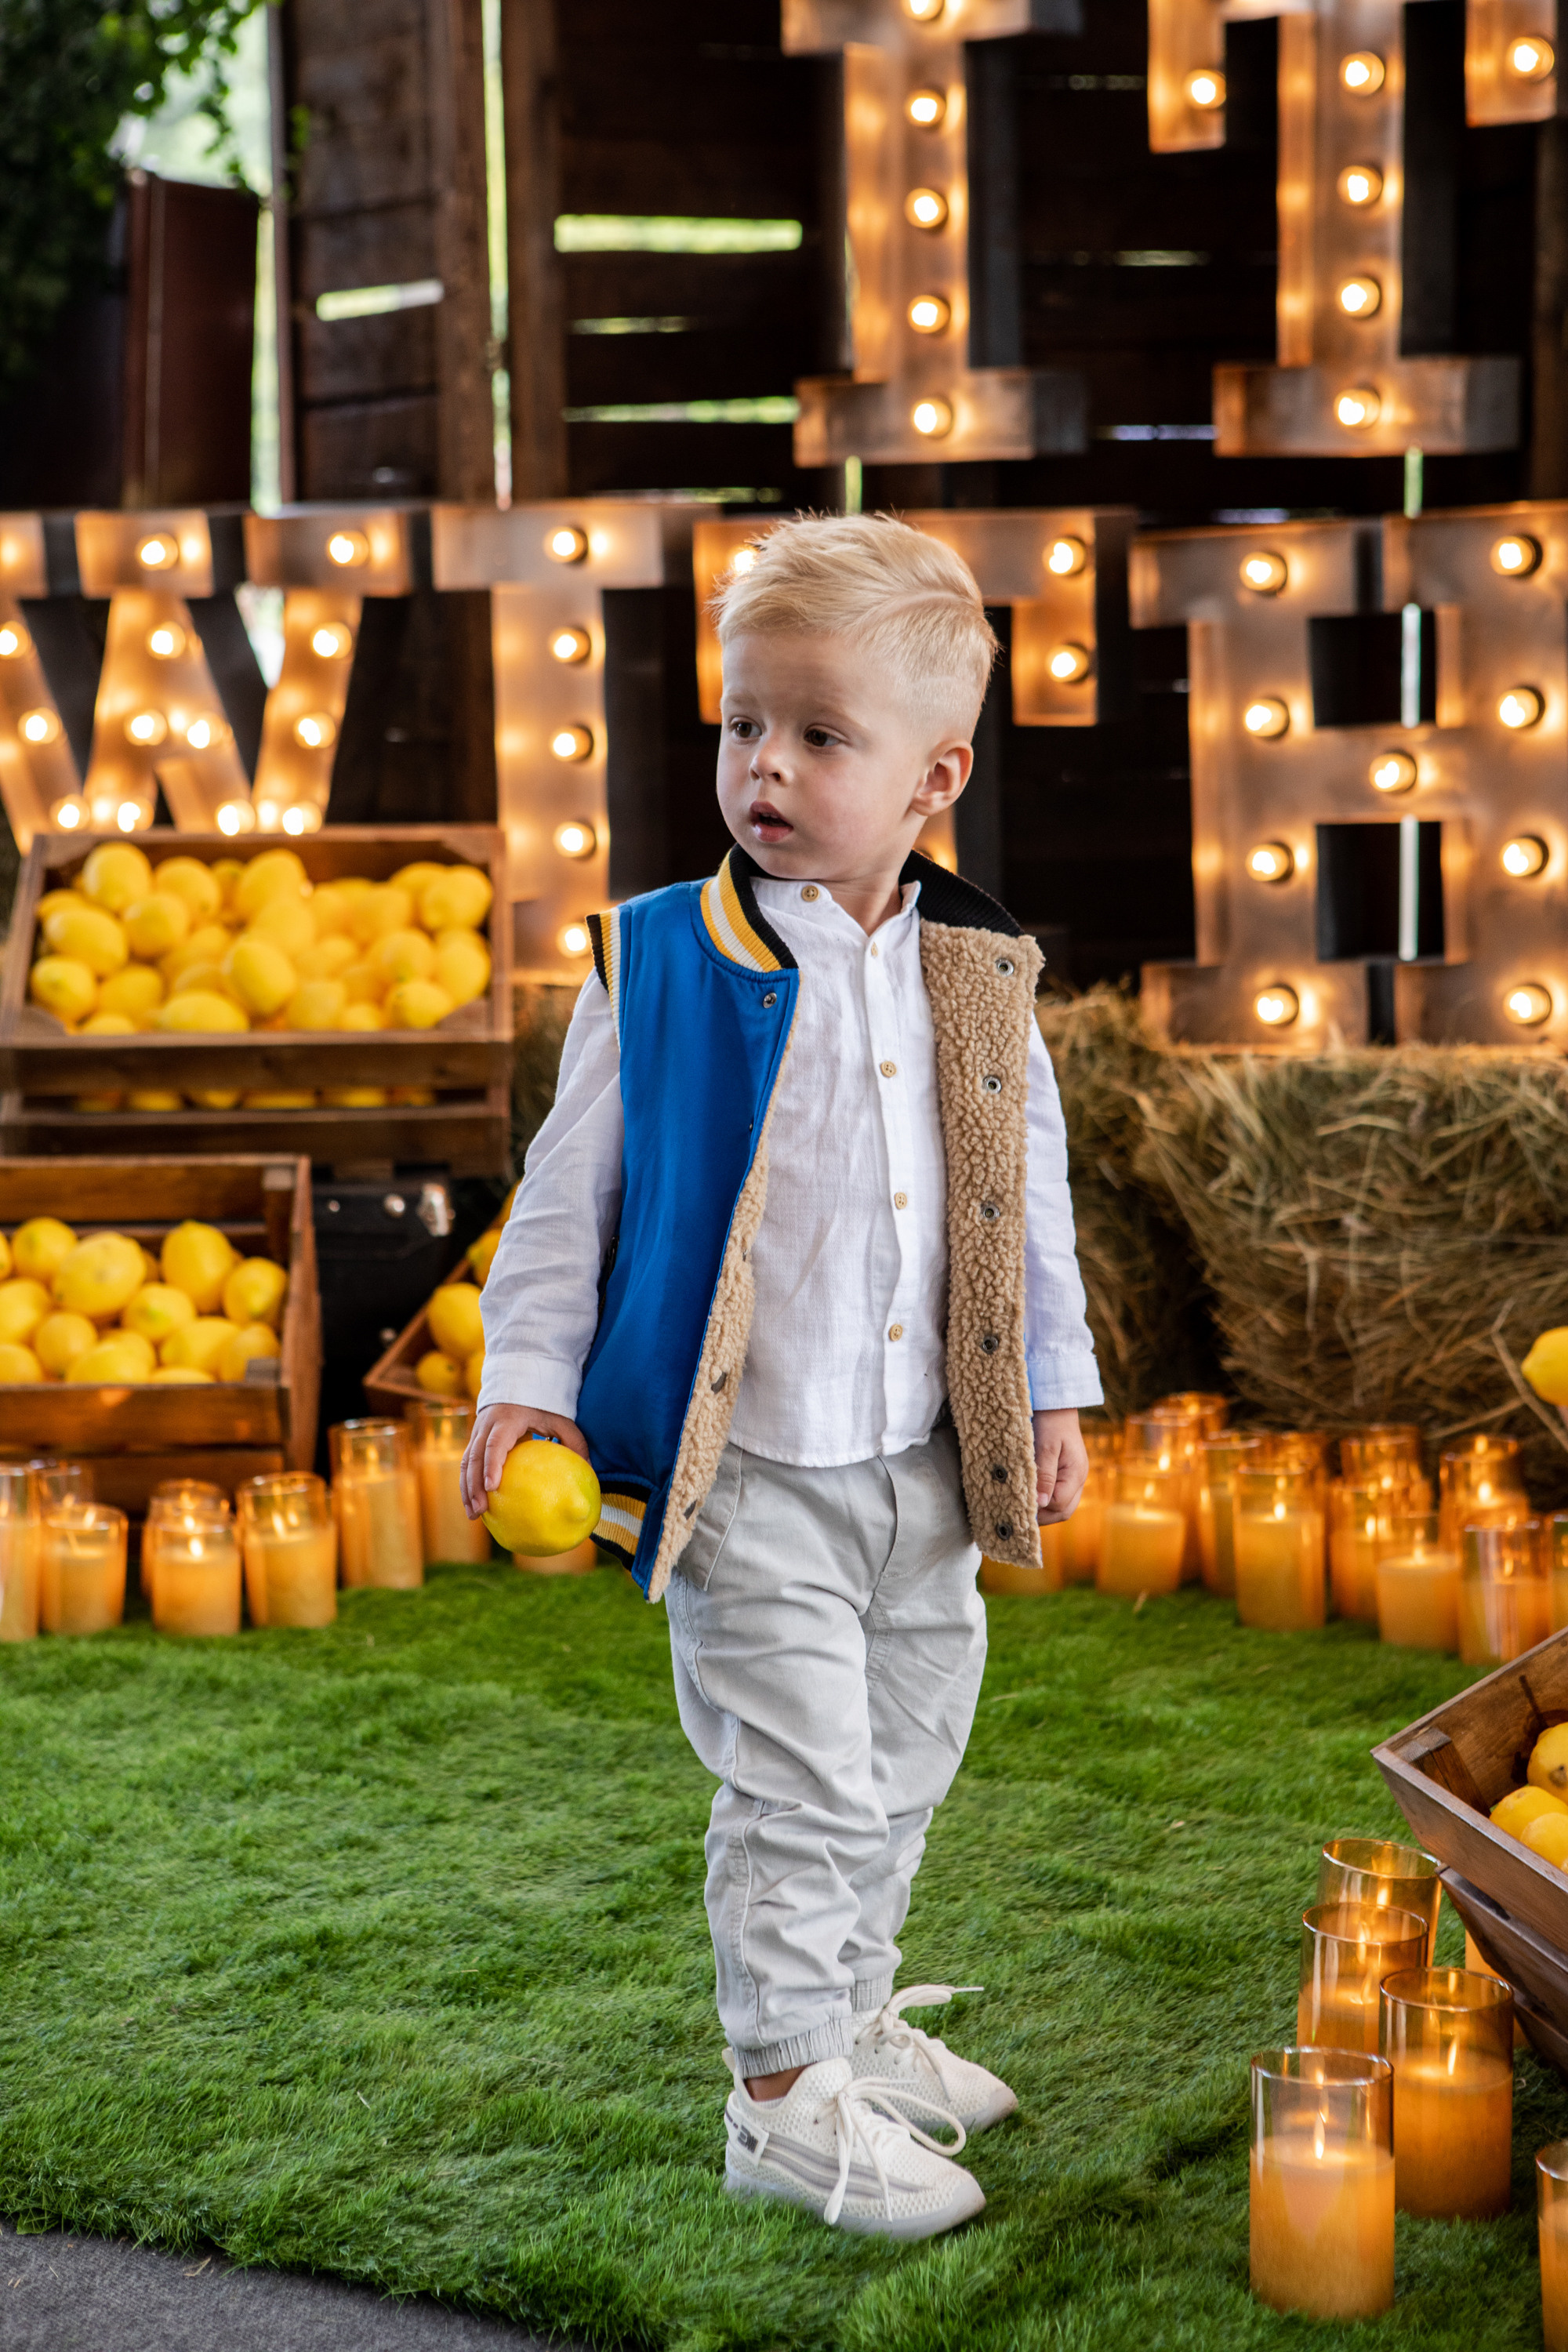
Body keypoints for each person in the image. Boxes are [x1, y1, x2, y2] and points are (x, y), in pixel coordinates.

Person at [462, 512, 1103, 2239]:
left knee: (904, 1756)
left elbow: (1020, 1199)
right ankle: (778, 2098)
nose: (766, 766)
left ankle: (850, 2022)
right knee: (798, 1782)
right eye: (746, 724)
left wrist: (1050, 1390)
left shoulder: (980, 979)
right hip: (748, 1471)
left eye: (821, 737)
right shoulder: (658, 959)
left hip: (917, 1466)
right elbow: (565, 1194)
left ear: (931, 776)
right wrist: (522, 1379)